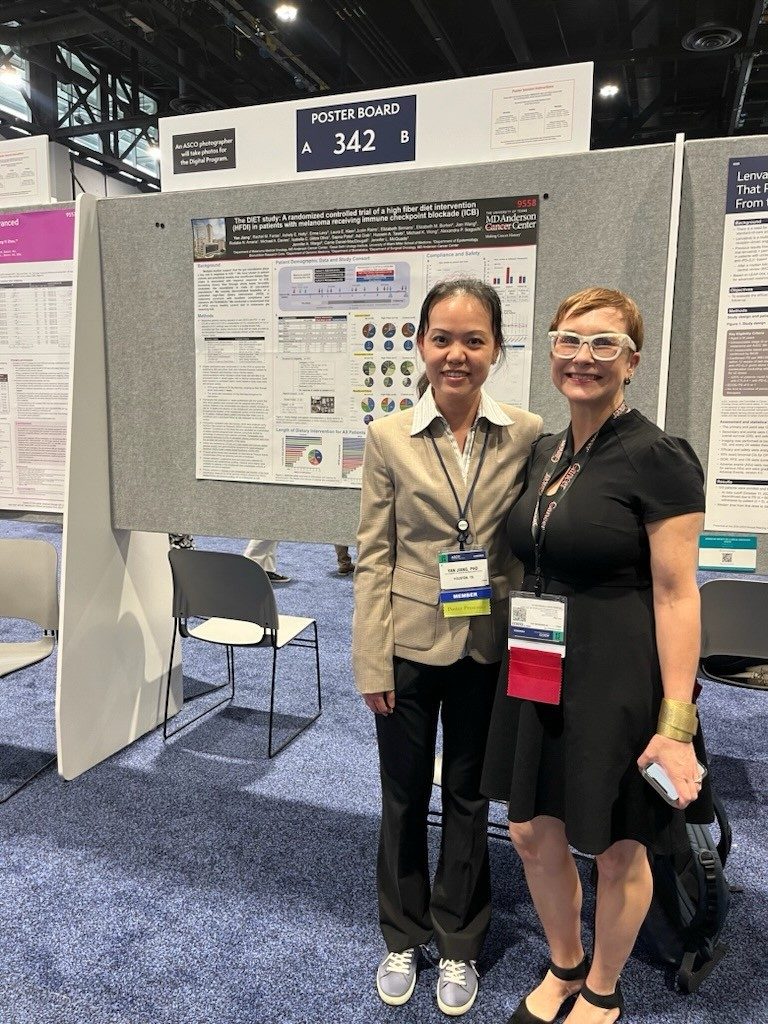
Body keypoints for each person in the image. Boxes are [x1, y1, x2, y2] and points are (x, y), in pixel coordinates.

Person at [481, 287, 713, 1024]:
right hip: (538, 660)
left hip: (616, 673)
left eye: (604, 344)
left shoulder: (659, 458)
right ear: (551, 350)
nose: (583, 357)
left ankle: (604, 989)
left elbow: (678, 595)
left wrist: (675, 724)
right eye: (569, 340)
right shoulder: (547, 451)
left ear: (632, 361)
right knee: (530, 830)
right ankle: (564, 963)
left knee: (617, 845)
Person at [352, 279, 542, 1016]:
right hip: (404, 644)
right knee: (402, 797)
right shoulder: (387, 437)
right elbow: (373, 556)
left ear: (495, 347)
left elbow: (525, 547)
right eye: (441, 338)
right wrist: (371, 659)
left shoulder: (524, 433)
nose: (455, 355)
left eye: (473, 340)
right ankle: (401, 934)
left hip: (484, 646)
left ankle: (459, 943)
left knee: (468, 797)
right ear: (420, 344)